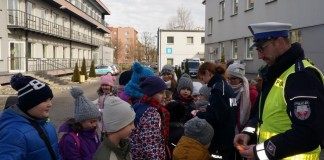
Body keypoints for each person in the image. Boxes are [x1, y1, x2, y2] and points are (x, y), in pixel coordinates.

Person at [233, 22, 324, 159]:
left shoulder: (300, 77)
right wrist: (247, 133)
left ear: (280, 42)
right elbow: (261, 116)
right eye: (257, 50)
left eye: (262, 48)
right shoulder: (275, 73)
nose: (259, 56)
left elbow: (309, 134)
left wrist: (261, 152)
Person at [0, 73, 61, 159]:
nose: (50, 104)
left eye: (50, 100)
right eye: (44, 100)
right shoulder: (13, 132)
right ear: (29, 103)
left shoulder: (46, 123)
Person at [193, 62, 237, 160]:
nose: (204, 82)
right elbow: (225, 112)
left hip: (220, 140)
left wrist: (199, 114)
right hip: (229, 136)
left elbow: (216, 117)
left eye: (202, 78)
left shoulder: (217, 89)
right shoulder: (226, 87)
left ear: (207, 73)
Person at [130, 76, 169, 159]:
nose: (165, 96)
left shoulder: (139, 105)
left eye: (165, 92)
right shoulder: (151, 114)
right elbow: (151, 145)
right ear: (151, 93)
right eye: (161, 93)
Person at [59, 87, 101, 160]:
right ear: (81, 120)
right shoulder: (70, 139)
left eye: (96, 121)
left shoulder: (93, 132)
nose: (95, 125)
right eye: (91, 122)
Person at [226, 62, 252, 133]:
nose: (230, 81)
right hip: (227, 126)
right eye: (228, 78)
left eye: (233, 78)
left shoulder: (250, 92)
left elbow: (252, 114)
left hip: (242, 128)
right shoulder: (225, 89)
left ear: (240, 79)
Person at [94, 74, 116, 140]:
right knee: (102, 140)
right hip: (102, 125)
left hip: (110, 126)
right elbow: (99, 104)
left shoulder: (113, 98)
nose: (104, 87)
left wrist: (100, 111)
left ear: (111, 86)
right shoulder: (102, 96)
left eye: (106, 85)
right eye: (102, 85)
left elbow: (112, 111)